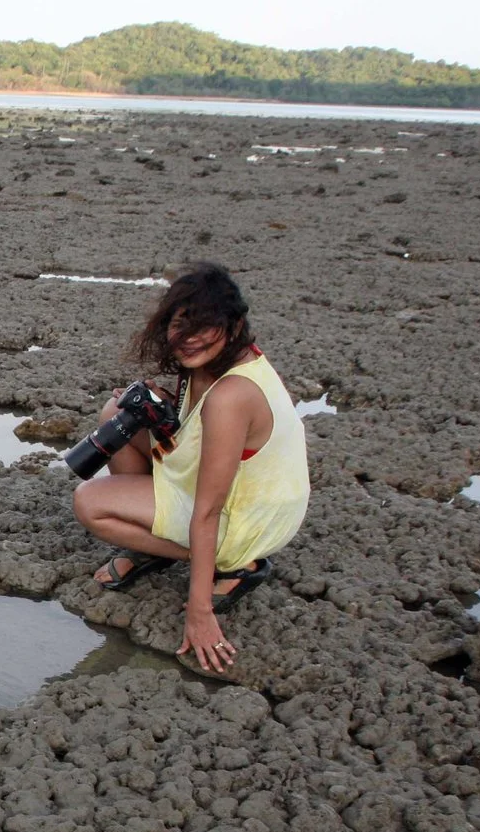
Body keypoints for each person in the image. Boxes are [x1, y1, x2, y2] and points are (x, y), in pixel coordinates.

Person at [69, 262, 309, 675]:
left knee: (90, 502)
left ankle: (235, 566)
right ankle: (154, 547)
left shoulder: (233, 394)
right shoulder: (215, 366)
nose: (189, 338)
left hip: (246, 519)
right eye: (180, 325)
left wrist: (200, 611)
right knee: (118, 412)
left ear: (233, 326)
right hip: (241, 493)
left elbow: (209, 508)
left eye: (204, 326)